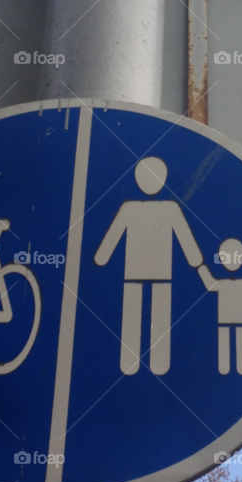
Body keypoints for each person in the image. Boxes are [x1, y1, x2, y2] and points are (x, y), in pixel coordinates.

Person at [94, 156, 203, 376]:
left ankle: (131, 361)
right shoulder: (168, 208)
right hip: (161, 274)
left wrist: (102, 257)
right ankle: (156, 363)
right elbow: (188, 245)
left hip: (134, 274)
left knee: (133, 314)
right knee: (157, 314)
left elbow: (107, 245)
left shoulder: (130, 208)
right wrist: (195, 261)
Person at [198, 238, 242, 375]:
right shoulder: (240, 284)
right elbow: (210, 285)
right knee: (227, 342)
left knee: (236, 341)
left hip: (233, 320)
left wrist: (202, 269)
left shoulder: (241, 284)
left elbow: (210, 284)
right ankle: (228, 368)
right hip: (230, 320)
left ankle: (237, 368)